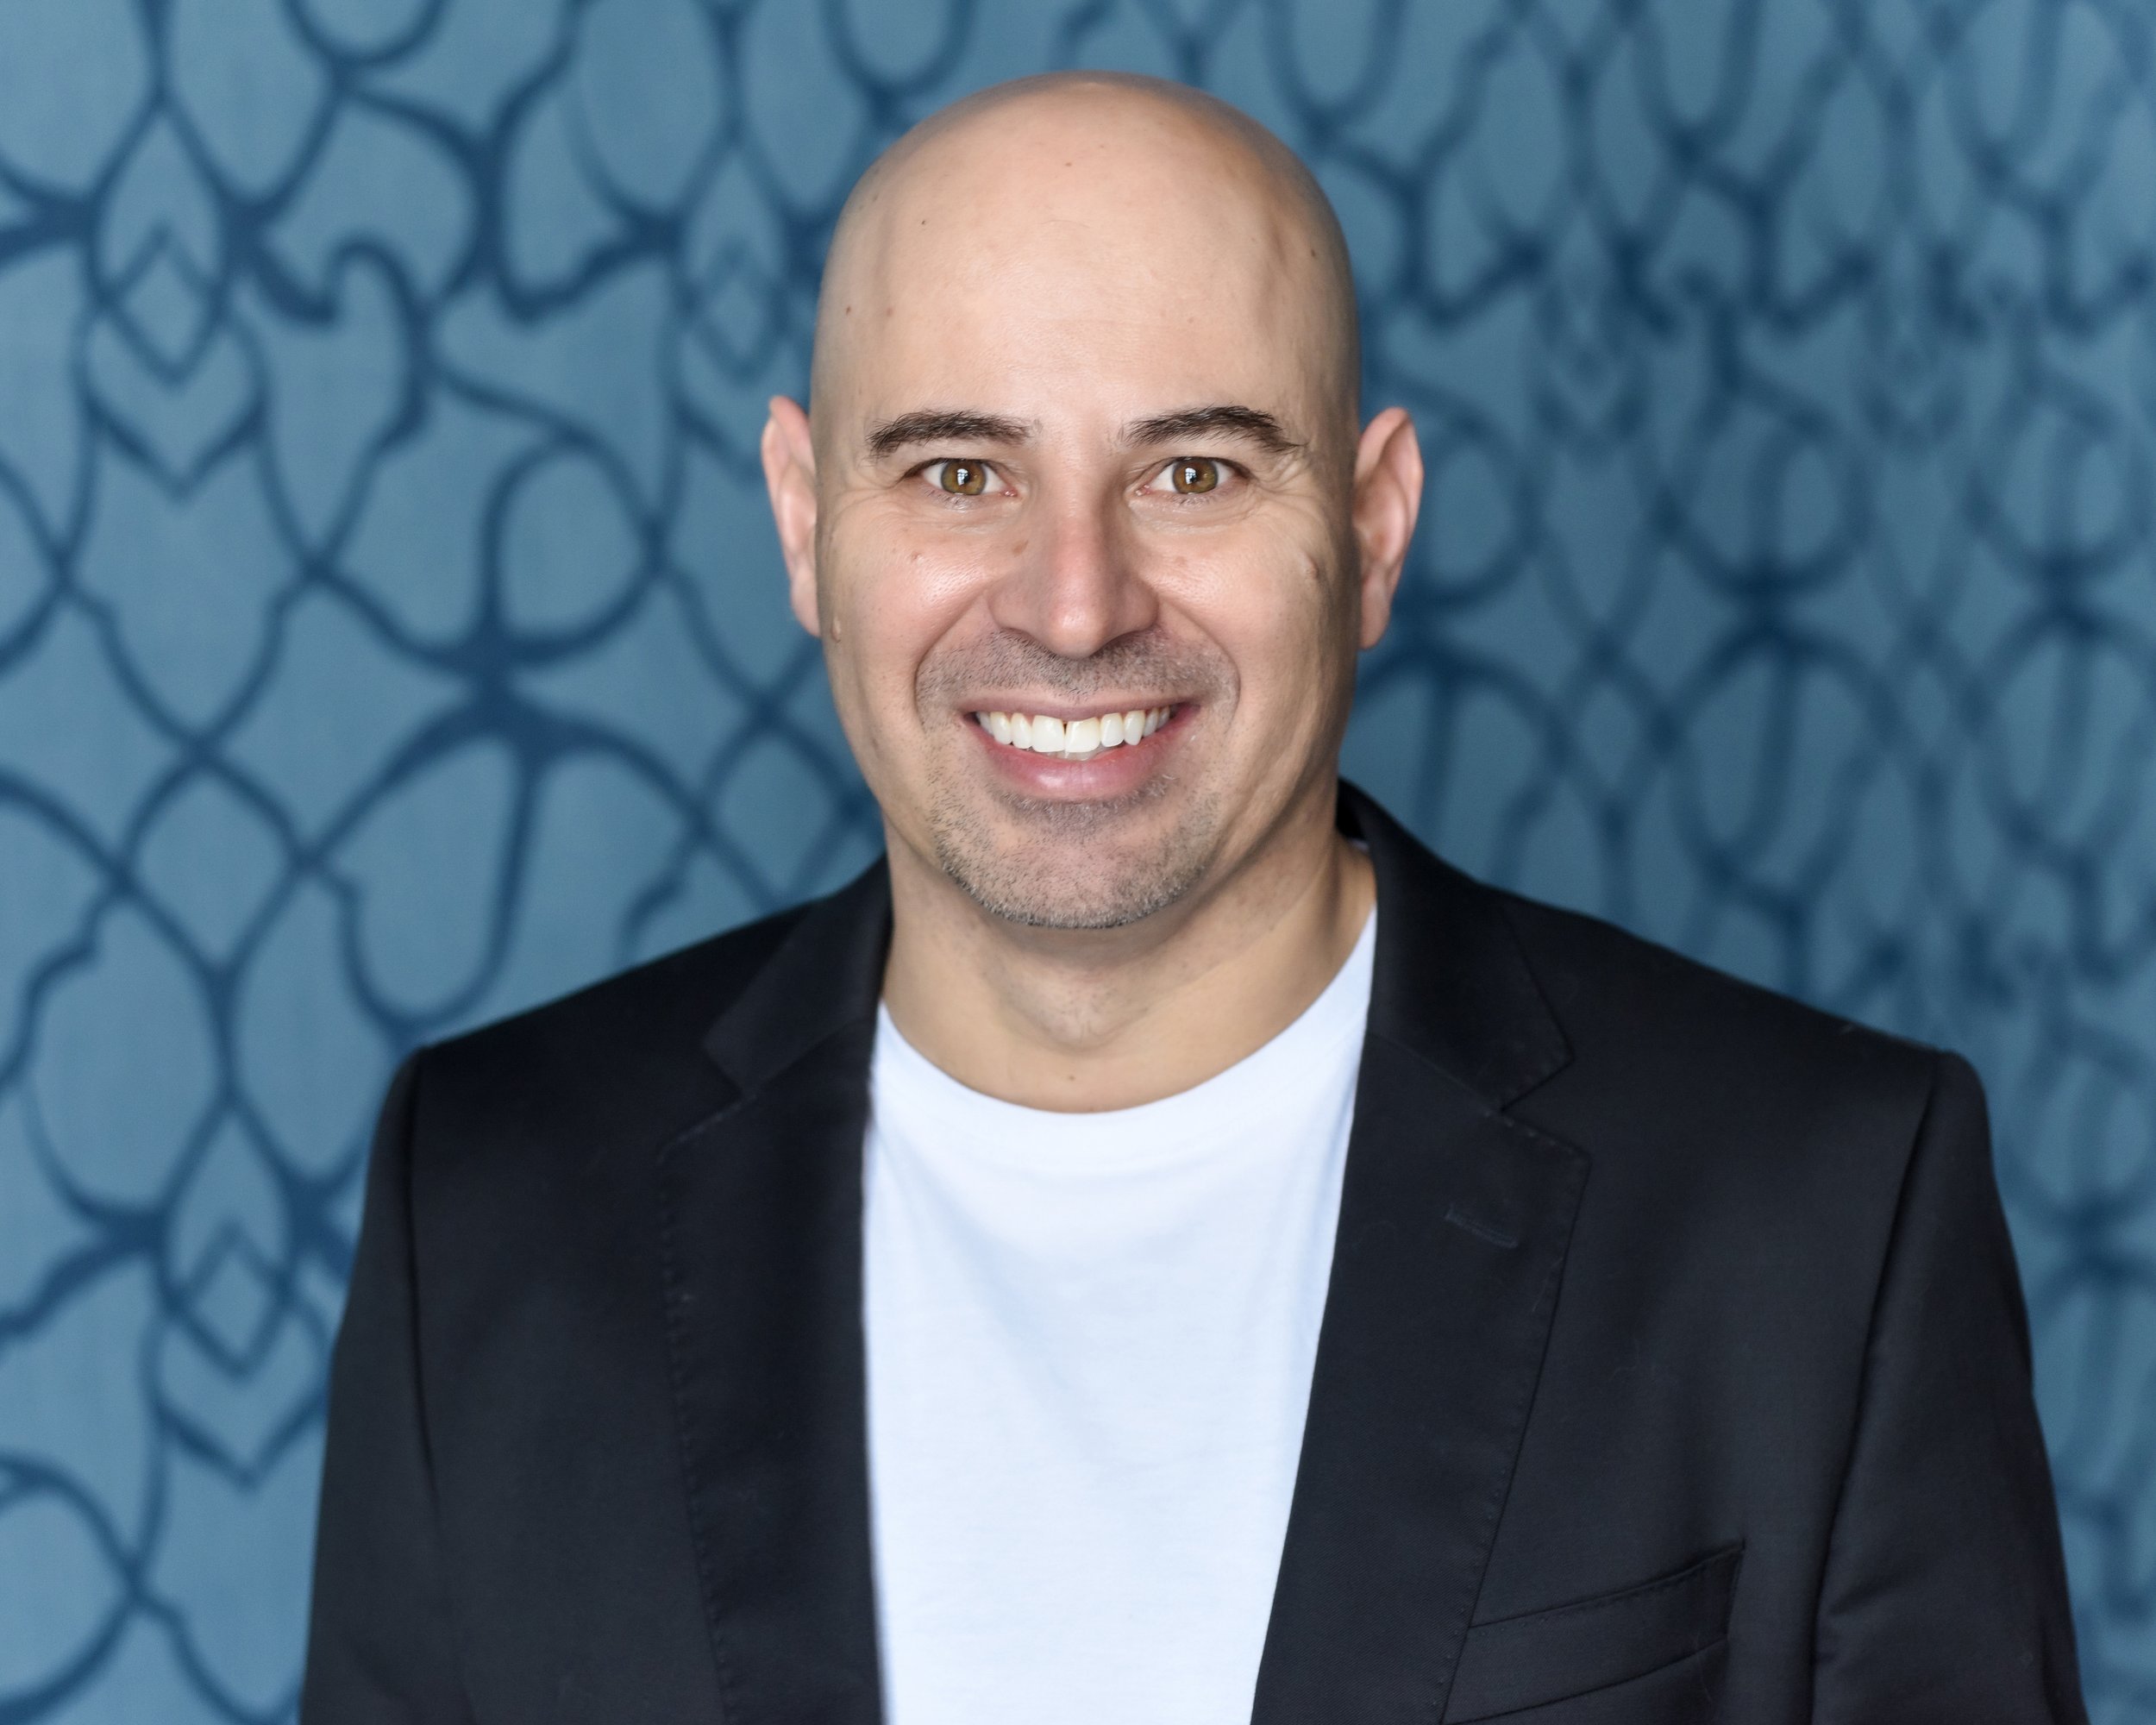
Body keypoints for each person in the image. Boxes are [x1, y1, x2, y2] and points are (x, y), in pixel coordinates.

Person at [299, 73, 2085, 1725]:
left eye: (1194, 472)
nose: (1073, 604)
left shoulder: (1817, 1208)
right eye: (956, 471)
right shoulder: (491, 1204)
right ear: (800, 521)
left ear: (1373, 530)